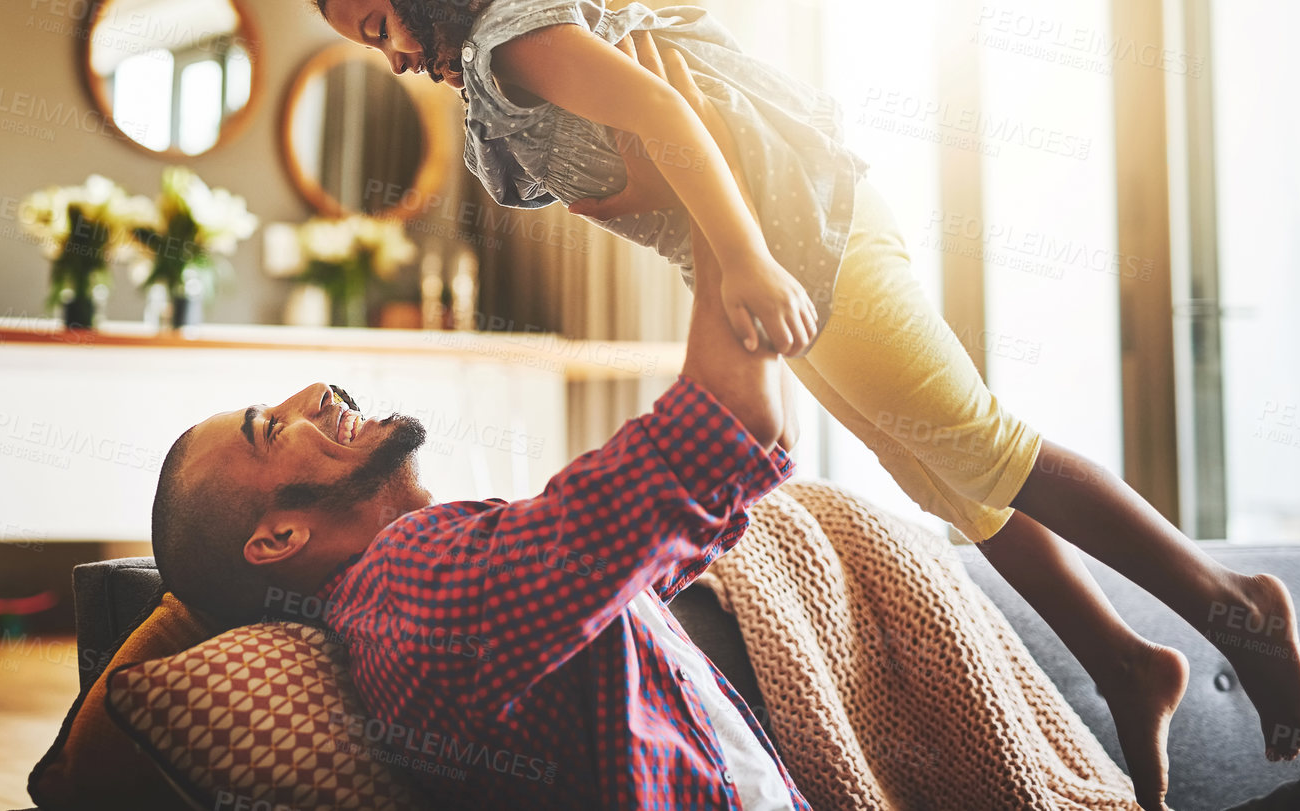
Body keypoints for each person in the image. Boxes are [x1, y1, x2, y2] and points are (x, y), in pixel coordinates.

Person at [308, 0, 1300, 809]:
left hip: (805, 250)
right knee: (943, 472)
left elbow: (671, 117)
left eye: (377, 24)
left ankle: (1237, 607)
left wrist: (743, 261)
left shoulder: (513, 41)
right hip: (810, 237)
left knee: (985, 446)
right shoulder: (517, 38)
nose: (392, 57)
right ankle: (1122, 659)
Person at [152, 223, 812, 809]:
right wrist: (705, 204)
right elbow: (722, 429)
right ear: (278, 538)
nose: (317, 393)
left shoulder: (431, 592)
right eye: (270, 429)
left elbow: (730, 462)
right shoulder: (409, 582)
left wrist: (720, 234)